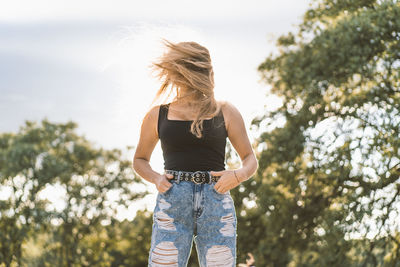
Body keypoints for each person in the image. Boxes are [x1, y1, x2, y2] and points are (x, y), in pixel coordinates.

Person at [133, 39, 258, 267]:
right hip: (172, 200)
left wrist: (237, 175)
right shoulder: (157, 115)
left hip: (216, 199)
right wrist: (156, 178)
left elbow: (250, 159)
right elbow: (139, 160)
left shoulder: (226, 111)